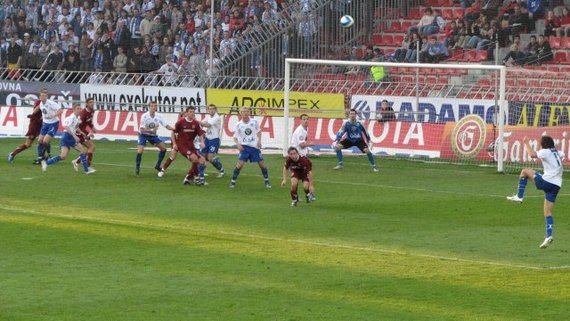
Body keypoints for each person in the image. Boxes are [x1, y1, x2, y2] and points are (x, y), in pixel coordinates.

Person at [506, 135, 564, 249]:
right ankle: (549, 236)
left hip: (547, 182)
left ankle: (519, 196)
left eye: (540, 143)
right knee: (548, 212)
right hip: (556, 186)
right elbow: (562, 155)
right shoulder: (558, 152)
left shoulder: (545, 151)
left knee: (524, 171)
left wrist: (526, 143)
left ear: (543, 144)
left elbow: (532, 155)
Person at [40, 103, 95, 175]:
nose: (79, 110)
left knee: (63, 156)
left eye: (80, 108)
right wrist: (74, 136)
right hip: (67, 136)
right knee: (83, 151)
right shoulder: (71, 117)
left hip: (66, 137)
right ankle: (86, 170)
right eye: (77, 109)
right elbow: (66, 126)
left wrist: (82, 133)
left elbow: (76, 127)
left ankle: (46, 163)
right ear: (74, 110)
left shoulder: (76, 118)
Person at [229, 107, 270, 189]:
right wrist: (238, 144)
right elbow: (235, 137)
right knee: (240, 165)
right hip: (244, 147)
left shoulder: (254, 122)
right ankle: (233, 182)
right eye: (243, 111)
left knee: (262, 164)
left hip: (254, 146)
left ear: (249, 112)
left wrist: (259, 141)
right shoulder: (238, 125)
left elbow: (259, 131)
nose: (245, 113)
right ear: (241, 113)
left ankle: (267, 181)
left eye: (247, 111)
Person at [170, 106, 208, 186]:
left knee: (202, 161)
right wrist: (174, 144)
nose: (192, 113)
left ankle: (187, 178)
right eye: (190, 111)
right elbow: (173, 132)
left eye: (193, 112)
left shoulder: (195, 123)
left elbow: (200, 133)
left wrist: (202, 142)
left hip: (191, 146)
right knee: (194, 159)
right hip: (182, 146)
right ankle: (197, 178)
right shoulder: (180, 122)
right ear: (186, 113)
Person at [135, 101, 174, 175]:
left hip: (153, 136)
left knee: (163, 149)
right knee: (140, 151)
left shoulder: (159, 116)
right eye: (152, 106)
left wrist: (174, 129)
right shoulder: (144, 116)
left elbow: (166, 125)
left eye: (155, 106)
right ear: (149, 107)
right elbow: (141, 129)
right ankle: (137, 167)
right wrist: (151, 130)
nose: (154, 107)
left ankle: (157, 165)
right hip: (143, 135)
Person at [290, 113, 316, 197]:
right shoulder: (300, 130)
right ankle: (309, 193)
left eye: (307, 119)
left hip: (301, 156)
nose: (306, 120)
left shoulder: (305, 129)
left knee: (301, 175)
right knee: (305, 174)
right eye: (304, 119)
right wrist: (310, 144)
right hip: (297, 157)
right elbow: (301, 145)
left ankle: (306, 194)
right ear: (300, 120)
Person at [35, 88, 62, 164]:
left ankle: (44, 158)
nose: (43, 97)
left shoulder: (51, 103)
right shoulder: (40, 103)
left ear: (47, 96)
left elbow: (60, 110)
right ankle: (41, 157)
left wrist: (55, 115)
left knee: (45, 141)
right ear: (40, 96)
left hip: (53, 124)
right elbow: (44, 112)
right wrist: (42, 117)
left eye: (45, 96)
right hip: (45, 124)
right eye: (42, 96)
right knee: (40, 141)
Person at [198, 104, 225, 178]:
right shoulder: (207, 117)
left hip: (214, 139)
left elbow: (208, 125)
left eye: (213, 109)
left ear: (215, 110)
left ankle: (222, 171)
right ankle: (201, 172)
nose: (211, 110)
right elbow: (201, 124)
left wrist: (196, 121)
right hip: (207, 139)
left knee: (209, 157)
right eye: (210, 109)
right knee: (202, 156)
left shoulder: (216, 117)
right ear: (208, 110)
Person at [72, 98, 97, 172]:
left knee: (88, 150)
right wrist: (84, 133)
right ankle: (87, 167)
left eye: (93, 102)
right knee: (92, 147)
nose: (92, 103)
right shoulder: (83, 113)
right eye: (90, 102)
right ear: (87, 104)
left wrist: (92, 128)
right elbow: (77, 125)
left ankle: (76, 162)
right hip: (79, 132)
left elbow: (89, 121)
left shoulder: (92, 111)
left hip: (84, 131)